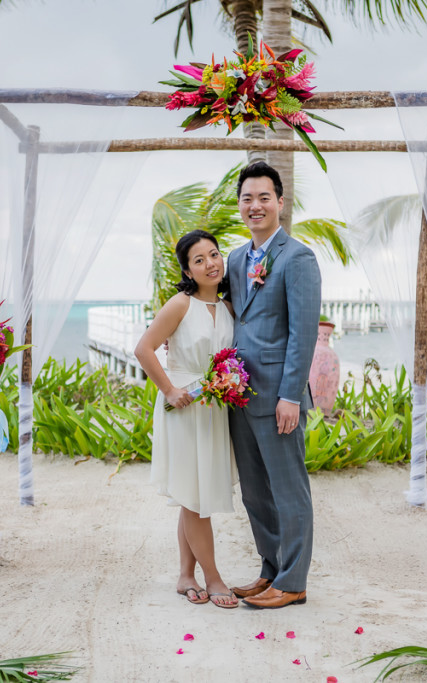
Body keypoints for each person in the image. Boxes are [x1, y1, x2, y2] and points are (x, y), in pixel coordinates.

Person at [226, 161, 321, 609]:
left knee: (288, 489)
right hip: (238, 394)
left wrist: (290, 396)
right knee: (254, 491)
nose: (255, 205)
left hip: (278, 396)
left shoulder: (298, 258)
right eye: (247, 198)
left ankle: (294, 581)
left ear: (280, 203)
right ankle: (271, 570)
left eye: (264, 197)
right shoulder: (235, 258)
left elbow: (303, 334)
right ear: (240, 205)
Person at [134, 230, 240, 609]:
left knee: (192, 494)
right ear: (188, 270)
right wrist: (168, 390)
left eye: (214, 255)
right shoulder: (180, 304)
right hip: (183, 406)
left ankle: (185, 576)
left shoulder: (229, 308)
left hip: (214, 409)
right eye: (199, 259)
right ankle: (213, 578)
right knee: (195, 498)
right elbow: (144, 348)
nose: (210, 263)